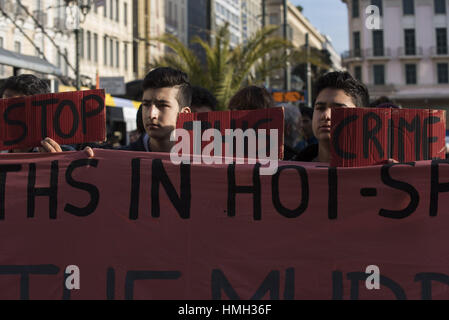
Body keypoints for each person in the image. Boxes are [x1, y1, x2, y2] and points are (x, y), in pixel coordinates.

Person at [294, 71, 370, 163]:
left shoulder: (378, 173)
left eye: (338, 109)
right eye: (320, 108)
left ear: (362, 117)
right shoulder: (288, 173)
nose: (326, 115)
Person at [0, 74, 75, 153]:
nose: (5, 113)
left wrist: (59, 162)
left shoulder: (65, 153)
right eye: (2, 104)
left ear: (38, 114)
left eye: (16, 109)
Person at [122, 67, 192, 152]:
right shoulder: (121, 160)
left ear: (184, 114)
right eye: (146, 104)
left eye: (162, 105)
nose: (151, 114)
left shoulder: (201, 161)